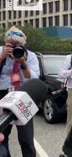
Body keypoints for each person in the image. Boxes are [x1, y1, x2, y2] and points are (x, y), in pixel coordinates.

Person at [0, 26, 40, 157]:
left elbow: (33, 78)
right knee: (2, 137)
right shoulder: (1, 51)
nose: (14, 47)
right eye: (12, 44)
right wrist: (2, 57)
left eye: (18, 44)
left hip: (22, 97)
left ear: (23, 44)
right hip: (3, 95)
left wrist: (23, 63)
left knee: (26, 138)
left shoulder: (31, 55)